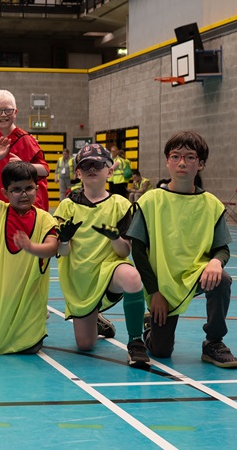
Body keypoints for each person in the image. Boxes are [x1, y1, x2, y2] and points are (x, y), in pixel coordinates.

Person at [126, 131, 237, 368]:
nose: (182, 163)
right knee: (162, 351)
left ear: (201, 164)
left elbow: (222, 249)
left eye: (190, 157)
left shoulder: (211, 204)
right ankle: (151, 328)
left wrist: (216, 262)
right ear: (167, 160)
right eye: (176, 156)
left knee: (223, 280)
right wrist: (154, 292)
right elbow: (138, 251)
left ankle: (213, 342)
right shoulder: (150, 201)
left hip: (196, 274)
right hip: (162, 285)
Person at [54, 144, 149, 368]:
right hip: (80, 277)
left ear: (109, 170)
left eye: (98, 164)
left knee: (132, 277)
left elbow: (125, 251)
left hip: (109, 270)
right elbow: (62, 252)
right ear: (78, 172)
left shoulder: (121, 205)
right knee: (85, 345)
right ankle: (95, 319)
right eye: (85, 165)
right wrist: (65, 240)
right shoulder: (67, 206)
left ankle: (135, 342)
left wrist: (115, 238)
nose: (91, 169)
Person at [0, 137, 59, 354]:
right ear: (5, 193)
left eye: (29, 188)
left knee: (28, 348)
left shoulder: (45, 219)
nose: (24, 194)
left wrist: (31, 247)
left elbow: (53, 248)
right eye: (16, 189)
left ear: (37, 189)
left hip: (27, 300)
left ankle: (34, 326)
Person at [0, 90, 50, 212]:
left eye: (8, 110)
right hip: (1, 208)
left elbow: (45, 170)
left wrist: (25, 166)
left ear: (15, 112)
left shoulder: (25, 139)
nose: (3, 114)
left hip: (25, 209)